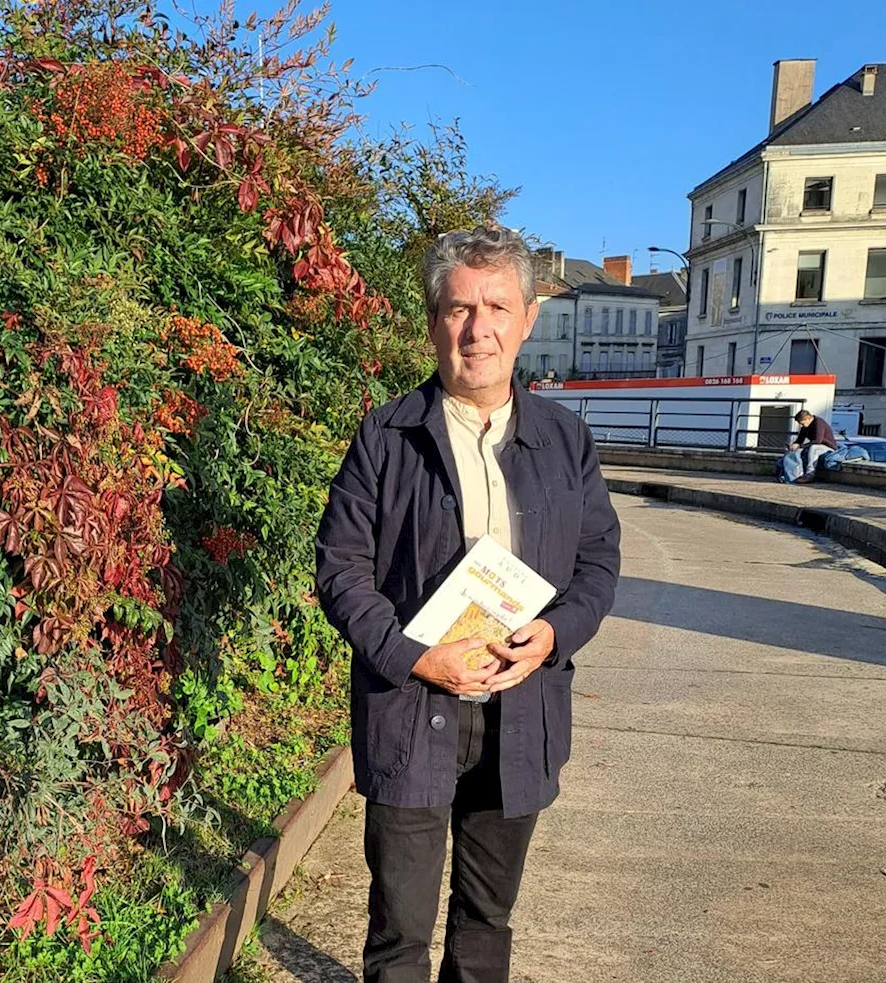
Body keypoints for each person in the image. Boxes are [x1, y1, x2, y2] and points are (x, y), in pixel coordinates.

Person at [315, 225, 622, 983]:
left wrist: (554, 634)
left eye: (495, 306)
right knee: (399, 930)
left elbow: (597, 560)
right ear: (432, 322)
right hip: (410, 710)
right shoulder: (385, 437)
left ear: (527, 319)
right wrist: (416, 654)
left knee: (487, 922)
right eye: (458, 309)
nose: (477, 329)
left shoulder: (565, 440)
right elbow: (340, 569)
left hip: (523, 711)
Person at [781, 409, 838, 483]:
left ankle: (809, 475)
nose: (801, 425)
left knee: (813, 448)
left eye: (802, 423)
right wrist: (794, 445)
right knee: (795, 451)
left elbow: (818, 441)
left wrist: (800, 446)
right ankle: (794, 474)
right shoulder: (805, 427)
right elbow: (800, 440)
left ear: (808, 419)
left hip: (827, 447)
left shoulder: (819, 423)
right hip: (817, 445)